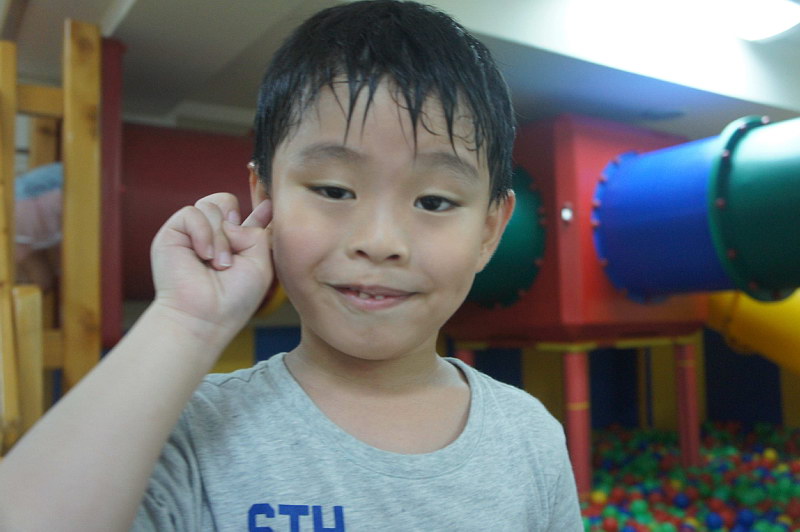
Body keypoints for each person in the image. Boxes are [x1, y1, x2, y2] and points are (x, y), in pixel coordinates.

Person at [0, 1, 582, 530]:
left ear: (489, 231)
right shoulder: (188, 431)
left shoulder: (529, 436)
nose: (380, 242)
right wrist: (185, 322)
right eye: (333, 190)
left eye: (433, 201)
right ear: (266, 199)